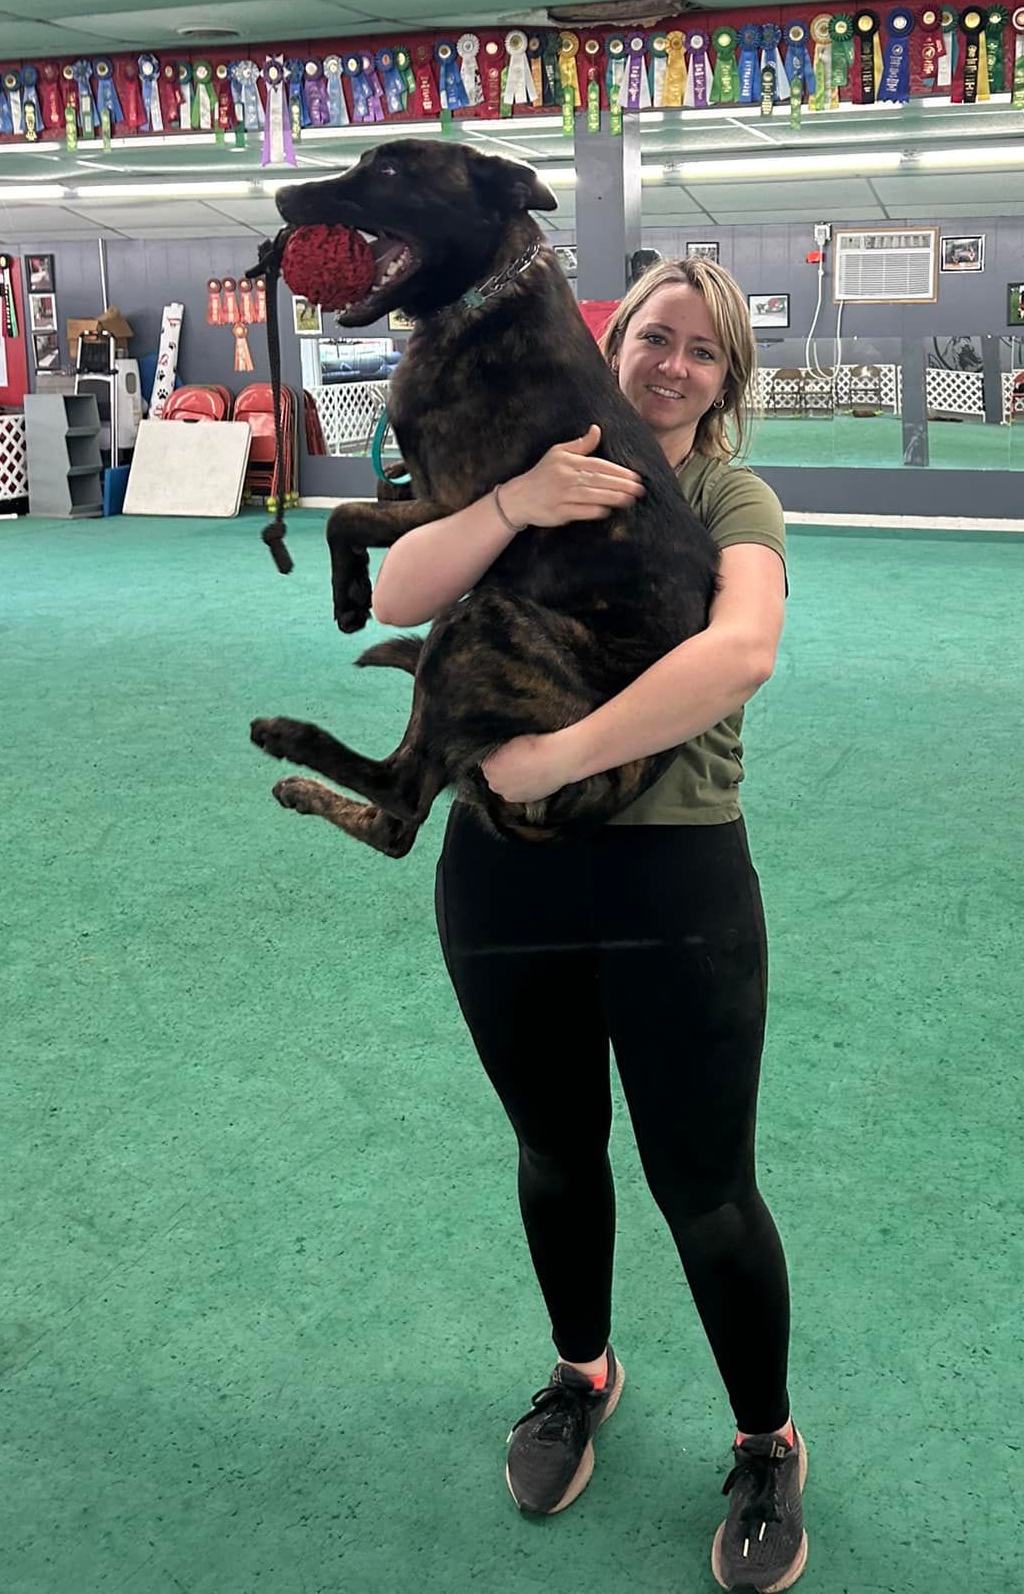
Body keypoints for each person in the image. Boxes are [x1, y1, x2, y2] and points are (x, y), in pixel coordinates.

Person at [369, 257, 804, 1592]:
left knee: (708, 1190)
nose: (671, 365)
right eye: (653, 339)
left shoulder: (731, 497)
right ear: (611, 351)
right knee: (555, 1149)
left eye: (702, 352)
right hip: (503, 881)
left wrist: (558, 758)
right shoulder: (533, 468)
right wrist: (514, 498)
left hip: (674, 880)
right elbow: (397, 594)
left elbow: (741, 652)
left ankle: (766, 1441)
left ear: (725, 383)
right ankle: (581, 1375)